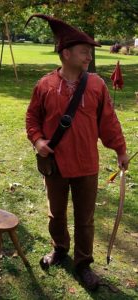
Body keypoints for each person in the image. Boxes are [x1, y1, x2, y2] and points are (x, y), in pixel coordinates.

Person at [25, 14, 129, 291]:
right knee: (56, 215)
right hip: (55, 165)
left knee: (85, 219)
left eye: (90, 53)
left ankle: (83, 264)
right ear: (66, 53)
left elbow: (108, 121)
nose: (88, 57)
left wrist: (120, 149)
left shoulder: (96, 85)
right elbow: (32, 118)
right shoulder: (44, 85)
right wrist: (37, 141)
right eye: (84, 52)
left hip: (86, 165)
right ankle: (60, 249)